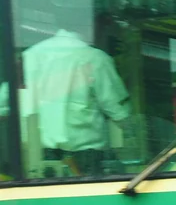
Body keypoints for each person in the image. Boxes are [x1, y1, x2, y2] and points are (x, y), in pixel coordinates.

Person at [1, 22, 130, 177]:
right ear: (97, 26)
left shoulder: (28, 57)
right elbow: (122, 115)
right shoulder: (95, 58)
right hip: (83, 162)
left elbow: (2, 107)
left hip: (31, 161)